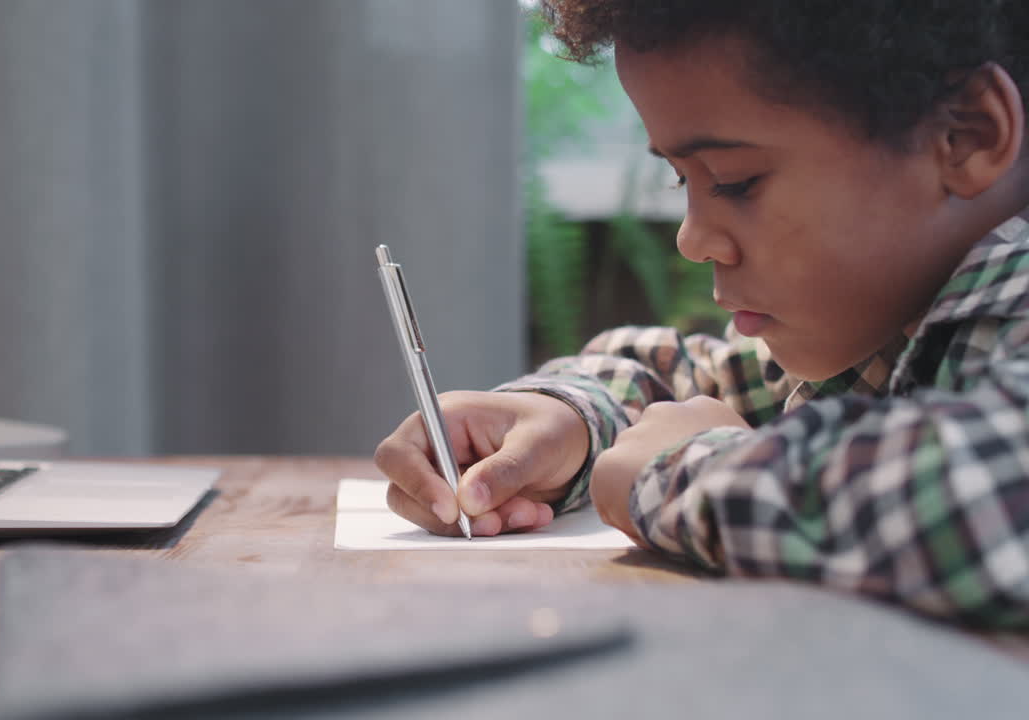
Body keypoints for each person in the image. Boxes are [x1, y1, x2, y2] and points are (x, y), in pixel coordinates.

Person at [374, 0, 1029, 627]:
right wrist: (566, 419)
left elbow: (994, 497)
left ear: (965, 136)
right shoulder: (896, 325)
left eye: (738, 181)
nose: (692, 239)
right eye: (683, 180)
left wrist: (686, 471)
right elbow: (698, 381)